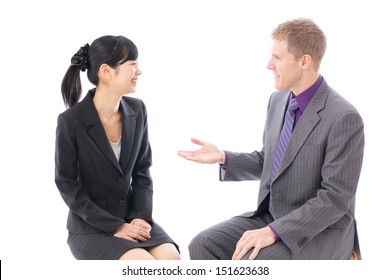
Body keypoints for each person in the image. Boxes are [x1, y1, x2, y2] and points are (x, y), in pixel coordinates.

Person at [178, 18, 364, 260]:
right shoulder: (278, 101)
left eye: (277, 57)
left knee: (252, 262)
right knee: (202, 244)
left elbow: (336, 197)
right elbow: (272, 161)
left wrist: (275, 231)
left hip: (319, 231)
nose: (269, 65)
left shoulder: (343, 117)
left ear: (304, 61)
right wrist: (224, 157)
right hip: (273, 216)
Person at [55, 35, 180, 260]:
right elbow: (67, 184)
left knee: (171, 258)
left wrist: (141, 217)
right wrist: (115, 226)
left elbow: (142, 172)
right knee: (142, 264)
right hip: (91, 226)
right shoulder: (71, 121)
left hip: (132, 218)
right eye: (133, 65)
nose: (139, 71)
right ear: (106, 72)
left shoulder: (137, 110)